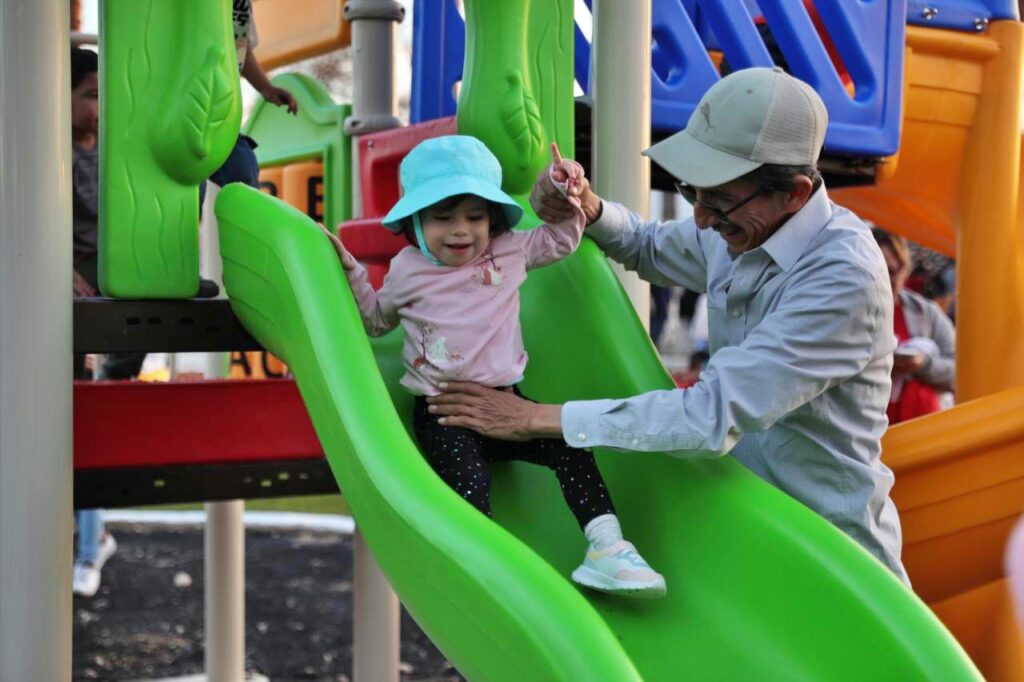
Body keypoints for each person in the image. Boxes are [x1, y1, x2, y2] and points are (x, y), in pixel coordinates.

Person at [428, 67, 910, 583]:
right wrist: (587, 208)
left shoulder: (843, 277)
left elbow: (709, 414)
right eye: (692, 192)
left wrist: (534, 418)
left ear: (794, 193)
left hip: (835, 559)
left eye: (719, 201)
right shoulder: (746, 227)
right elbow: (651, 245)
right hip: (750, 529)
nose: (701, 218)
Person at [320, 135, 666, 597]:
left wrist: (568, 191)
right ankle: (481, 571)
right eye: (442, 217)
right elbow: (377, 321)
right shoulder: (407, 269)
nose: (460, 230)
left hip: (509, 405)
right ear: (416, 222)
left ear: (493, 219)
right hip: (447, 413)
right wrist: (350, 274)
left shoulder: (509, 250)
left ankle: (608, 548)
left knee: (571, 447)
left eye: (475, 216)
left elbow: (563, 239)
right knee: (469, 484)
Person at [70, 46, 119, 597]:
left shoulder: (111, 152)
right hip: (69, 292)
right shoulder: (51, 155)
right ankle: (90, 539)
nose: (100, 108)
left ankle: (90, 541)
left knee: (88, 423)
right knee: (71, 427)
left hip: (107, 291)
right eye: (89, 96)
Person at [199, 0, 300, 206]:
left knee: (243, 168)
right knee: (189, 188)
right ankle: (184, 233)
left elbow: (242, 50)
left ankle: (245, 231)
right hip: (188, 107)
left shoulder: (241, 5)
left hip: (222, 115)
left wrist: (265, 88)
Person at [873, 229, 955, 424]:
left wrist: (923, 364)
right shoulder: (850, 311)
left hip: (922, 426)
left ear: (905, 270)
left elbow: (959, 373)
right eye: (878, 270)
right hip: (871, 427)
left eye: (892, 271)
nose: (885, 279)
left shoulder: (927, 312)